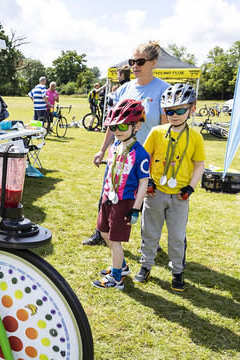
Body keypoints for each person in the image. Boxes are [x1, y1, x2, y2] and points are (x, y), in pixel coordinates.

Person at [83, 41, 169, 246]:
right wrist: (102, 149)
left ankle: (149, 244)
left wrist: (160, 160)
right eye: (132, 61)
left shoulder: (163, 90)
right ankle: (101, 233)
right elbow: (113, 125)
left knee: (146, 201)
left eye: (140, 61)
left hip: (146, 158)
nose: (135, 66)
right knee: (109, 192)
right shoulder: (123, 90)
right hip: (119, 155)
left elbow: (165, 130)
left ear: (153, 62)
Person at [134, 83, 205, 291]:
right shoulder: (156, 132)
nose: (175, 115)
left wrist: (190, 188)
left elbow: (199, 165)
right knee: (150, 233)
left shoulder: (195, 137)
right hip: (154, 193)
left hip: (180, 197)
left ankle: (177, 271)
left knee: (176, 236)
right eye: (170, 111)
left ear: (191, 109)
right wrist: (148, 182)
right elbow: (144, 159)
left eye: (180, 110)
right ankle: (145, 266)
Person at [92, 99, 150, 289]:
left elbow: (143, 183)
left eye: (123, 125)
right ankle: (122, 266)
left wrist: (135, 208)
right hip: (108, 198)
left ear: (137, 126)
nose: (117, 130)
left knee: (115, 240)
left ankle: (116, 278)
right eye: (114, 126)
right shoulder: (114, 146)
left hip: (124, 202)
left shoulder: (141, 154)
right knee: (103, 231)